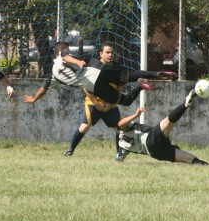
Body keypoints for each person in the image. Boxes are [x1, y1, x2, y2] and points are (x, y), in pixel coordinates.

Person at [23, 42, 176, 158]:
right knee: (131, 74)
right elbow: (66, 56)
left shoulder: (53, 75)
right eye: (67, 49)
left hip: (95, 86)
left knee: (125, 100)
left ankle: (142, 85)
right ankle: (156, 75)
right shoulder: (64, 56)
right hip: (96, 74)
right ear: (62, 50)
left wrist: (33, 100)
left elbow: (44, 88)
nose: (68, 51)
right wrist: (77, 62)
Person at [116, 87, 209, 165]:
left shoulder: (121, 144)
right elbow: (120, 124)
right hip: (150, 140)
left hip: (156, 153)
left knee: (189, 158)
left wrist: (118, 159)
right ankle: (184, 105)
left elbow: (118, 159)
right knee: (168, 121)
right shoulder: (123, 128)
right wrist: (136, 115)